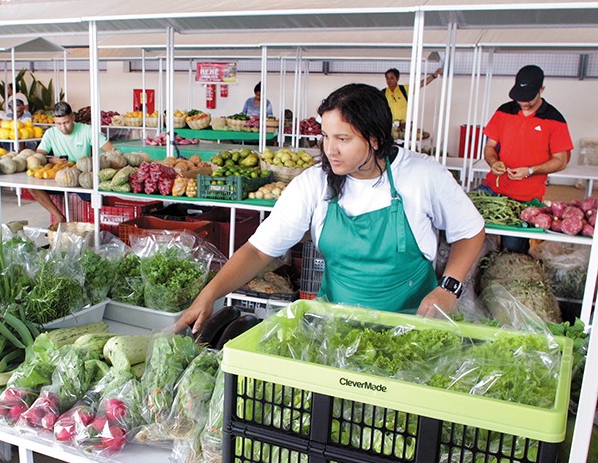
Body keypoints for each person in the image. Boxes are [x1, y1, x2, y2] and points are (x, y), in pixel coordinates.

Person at [178, 83, 485, 332]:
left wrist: (449, 288)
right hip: (336, 329)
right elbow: (259, 251)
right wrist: (208, 295)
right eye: (325, 136)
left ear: (375, 139)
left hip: (413, 325)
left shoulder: (422, 175)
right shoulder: (314, 183)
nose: (330, 149)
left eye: (343, 138)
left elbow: (470, 230)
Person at [480, 65, 573, 202]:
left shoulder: (555, 120)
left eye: (528, 98)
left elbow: (561, 161)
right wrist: (493, 162)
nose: (523, 102)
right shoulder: (503, 111)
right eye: (519, 97)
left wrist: (530, 171)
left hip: (527, 197)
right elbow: (490, 147)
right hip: (492, 188)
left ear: (541, 90)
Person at [29, 101, 114, 223]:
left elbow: (110, 150)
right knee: (33, 188)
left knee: (97, 196)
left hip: (82, 179)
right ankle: (59, 217)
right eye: (58, 124)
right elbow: (39, 155)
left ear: (72, 117)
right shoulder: (50, 133)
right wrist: (50, 159)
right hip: (59, 178)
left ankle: (94, 225)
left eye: (66, 122)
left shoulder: (87, 130)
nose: (63, 127)